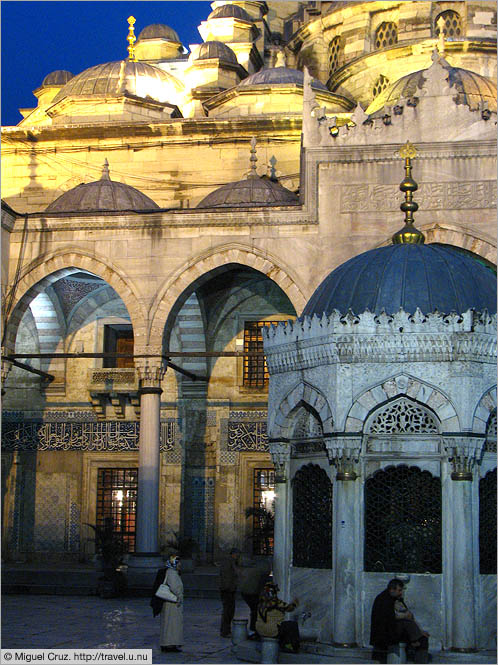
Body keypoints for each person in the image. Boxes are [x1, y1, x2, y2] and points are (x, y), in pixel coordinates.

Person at [370, 578, 430, 664]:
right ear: (392, 589)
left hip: (395, 630)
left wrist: (420, 631)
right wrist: (404, 616)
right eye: (399, 590)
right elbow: (389, 618)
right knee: (406, 622)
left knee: (423, 639)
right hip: (385, 633)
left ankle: (420, 657)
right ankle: (415, 639)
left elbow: (409, 615)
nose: (401, 593)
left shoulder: (396, 598)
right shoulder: (383, 600)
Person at [151, 554, 184, 653]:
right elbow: (175, 587)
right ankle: (169, 644)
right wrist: (179, 595)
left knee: (169, 624)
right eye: (178, 562)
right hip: (172, 604)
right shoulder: (172, 573)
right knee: (171, 625)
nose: (180, 564)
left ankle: (169, 643)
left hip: (170, 604)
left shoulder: (170, 572)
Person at [255, 582, 300, 653]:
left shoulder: (260, 602)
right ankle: (292, 646)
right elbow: (289, 608)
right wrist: (295, 603)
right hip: (272, 631)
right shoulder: (276, 603)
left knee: (281, 626)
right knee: (291, 625)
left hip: (259, 630)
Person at [239, 557, 271, 637]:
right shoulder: (261, 573)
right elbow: (260, 587)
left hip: (246, 592)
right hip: (251, 593)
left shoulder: (254, 570)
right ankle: (254, 629)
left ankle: (254, 629)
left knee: (255, 611)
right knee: (256, 611)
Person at [219, 547, 241, 637]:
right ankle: (225, 631)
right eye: (237, 554)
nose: (238, 556)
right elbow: (228, 575)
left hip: (229, 588)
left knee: (229, 611)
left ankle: (226, 630)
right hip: (227, 589)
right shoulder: (229, 562)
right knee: (228, 611)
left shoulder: (231, 562)